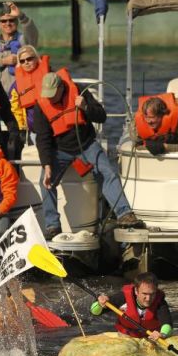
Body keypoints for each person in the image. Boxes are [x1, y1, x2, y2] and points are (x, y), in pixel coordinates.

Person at [31, 69, 144, 240]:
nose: (50, 98)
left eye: (53, 94)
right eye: (47, 95)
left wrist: (85, 107)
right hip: (59, 150)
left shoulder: (81, 92)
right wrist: (47, 164)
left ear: (61, 88)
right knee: (45, 181)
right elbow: (43, 138)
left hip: (87, 145)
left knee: (108, 172)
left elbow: (102, 117)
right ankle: (52, 225)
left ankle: (124, 213)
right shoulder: (41, 105)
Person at [90, 272, 173, 341]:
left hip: (151, 337)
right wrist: (99, 304)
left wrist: (162, 334)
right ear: (136, 291)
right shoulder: (123, 298)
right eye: (144, 294)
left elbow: (167, 323)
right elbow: (94, 312)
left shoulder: (160, 302)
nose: (148, 299)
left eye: (152, 294)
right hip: (126, 336)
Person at [0, 1, 39, 93]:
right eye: (3, 21)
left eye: (11, 20)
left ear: (16, 22)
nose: (7, 23)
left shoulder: (25, 41)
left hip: (22, 94)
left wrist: (21, 16)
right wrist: (2, 61)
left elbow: (32, 32)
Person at [11, 45, 51, 142]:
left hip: (52, 126)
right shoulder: (16, 85)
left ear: (37, 58)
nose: (26, 62)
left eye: (29, 59)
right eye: (22, 61)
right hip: (34, 131)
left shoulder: (50, 76)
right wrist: (22, 127)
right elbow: (15, 108)